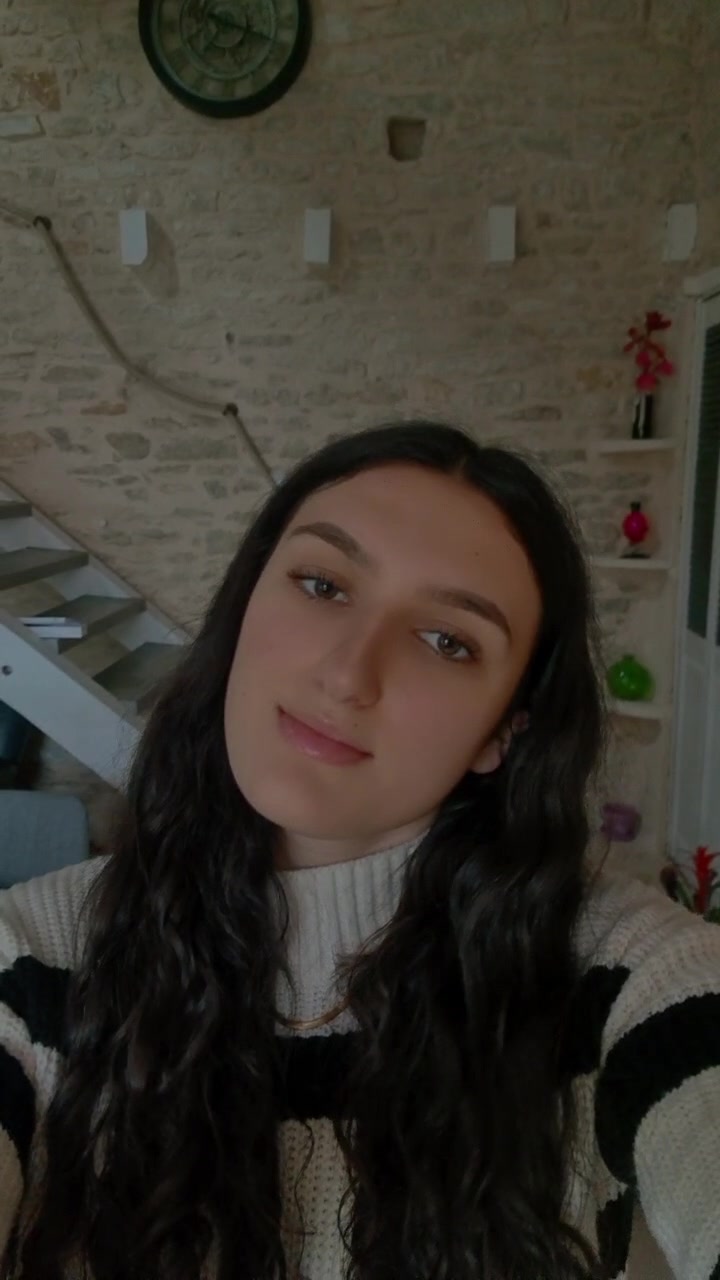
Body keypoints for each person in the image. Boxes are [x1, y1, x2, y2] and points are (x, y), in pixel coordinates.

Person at [0, 421, 718, 1280]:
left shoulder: (621, 978)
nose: (347, 675)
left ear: (503, 731)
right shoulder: (30, 959)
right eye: (322, 584)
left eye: (447, 641)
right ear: (244, 605)